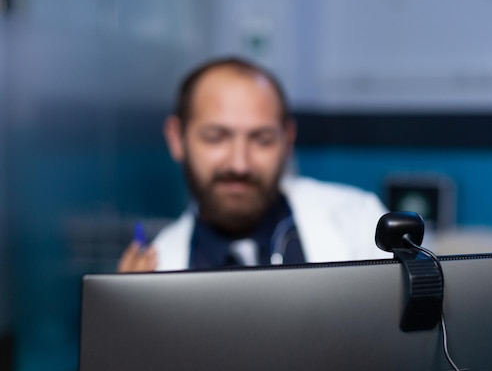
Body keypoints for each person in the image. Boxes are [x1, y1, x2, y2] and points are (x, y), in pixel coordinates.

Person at [118, 56, 389, 272]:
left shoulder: (360, 223)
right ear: (177, 139)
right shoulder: (157, 270)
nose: (240, 165)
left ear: (287, 141)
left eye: (262, 139)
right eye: (216, 138)